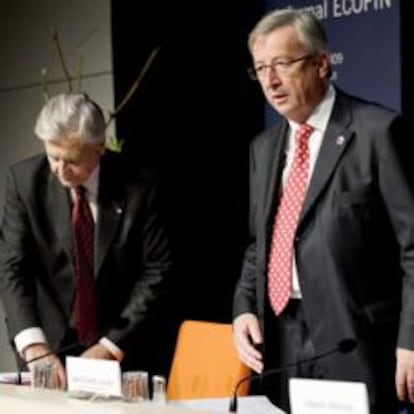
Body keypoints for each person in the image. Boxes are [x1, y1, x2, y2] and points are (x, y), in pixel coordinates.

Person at [232, 8, 414, 414]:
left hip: (355, 338)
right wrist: (244, 306)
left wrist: (411, 341)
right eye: (261, 68)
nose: (270, 80)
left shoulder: (377, 132)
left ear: (322, 64)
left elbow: (413, 247)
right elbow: (259, 243)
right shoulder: (263, 148)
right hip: (282, 338)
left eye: (282, 63)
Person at [0, 93, 172, 389]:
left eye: (73, 160)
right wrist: (33, 345)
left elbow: (157, 269)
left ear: (99, 147)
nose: (60, 170)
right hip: (47, 346)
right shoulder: (23, 180)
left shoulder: (140, 185)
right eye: (53, 157)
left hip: (121, 343)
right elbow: (13, 267)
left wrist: (111, 345)